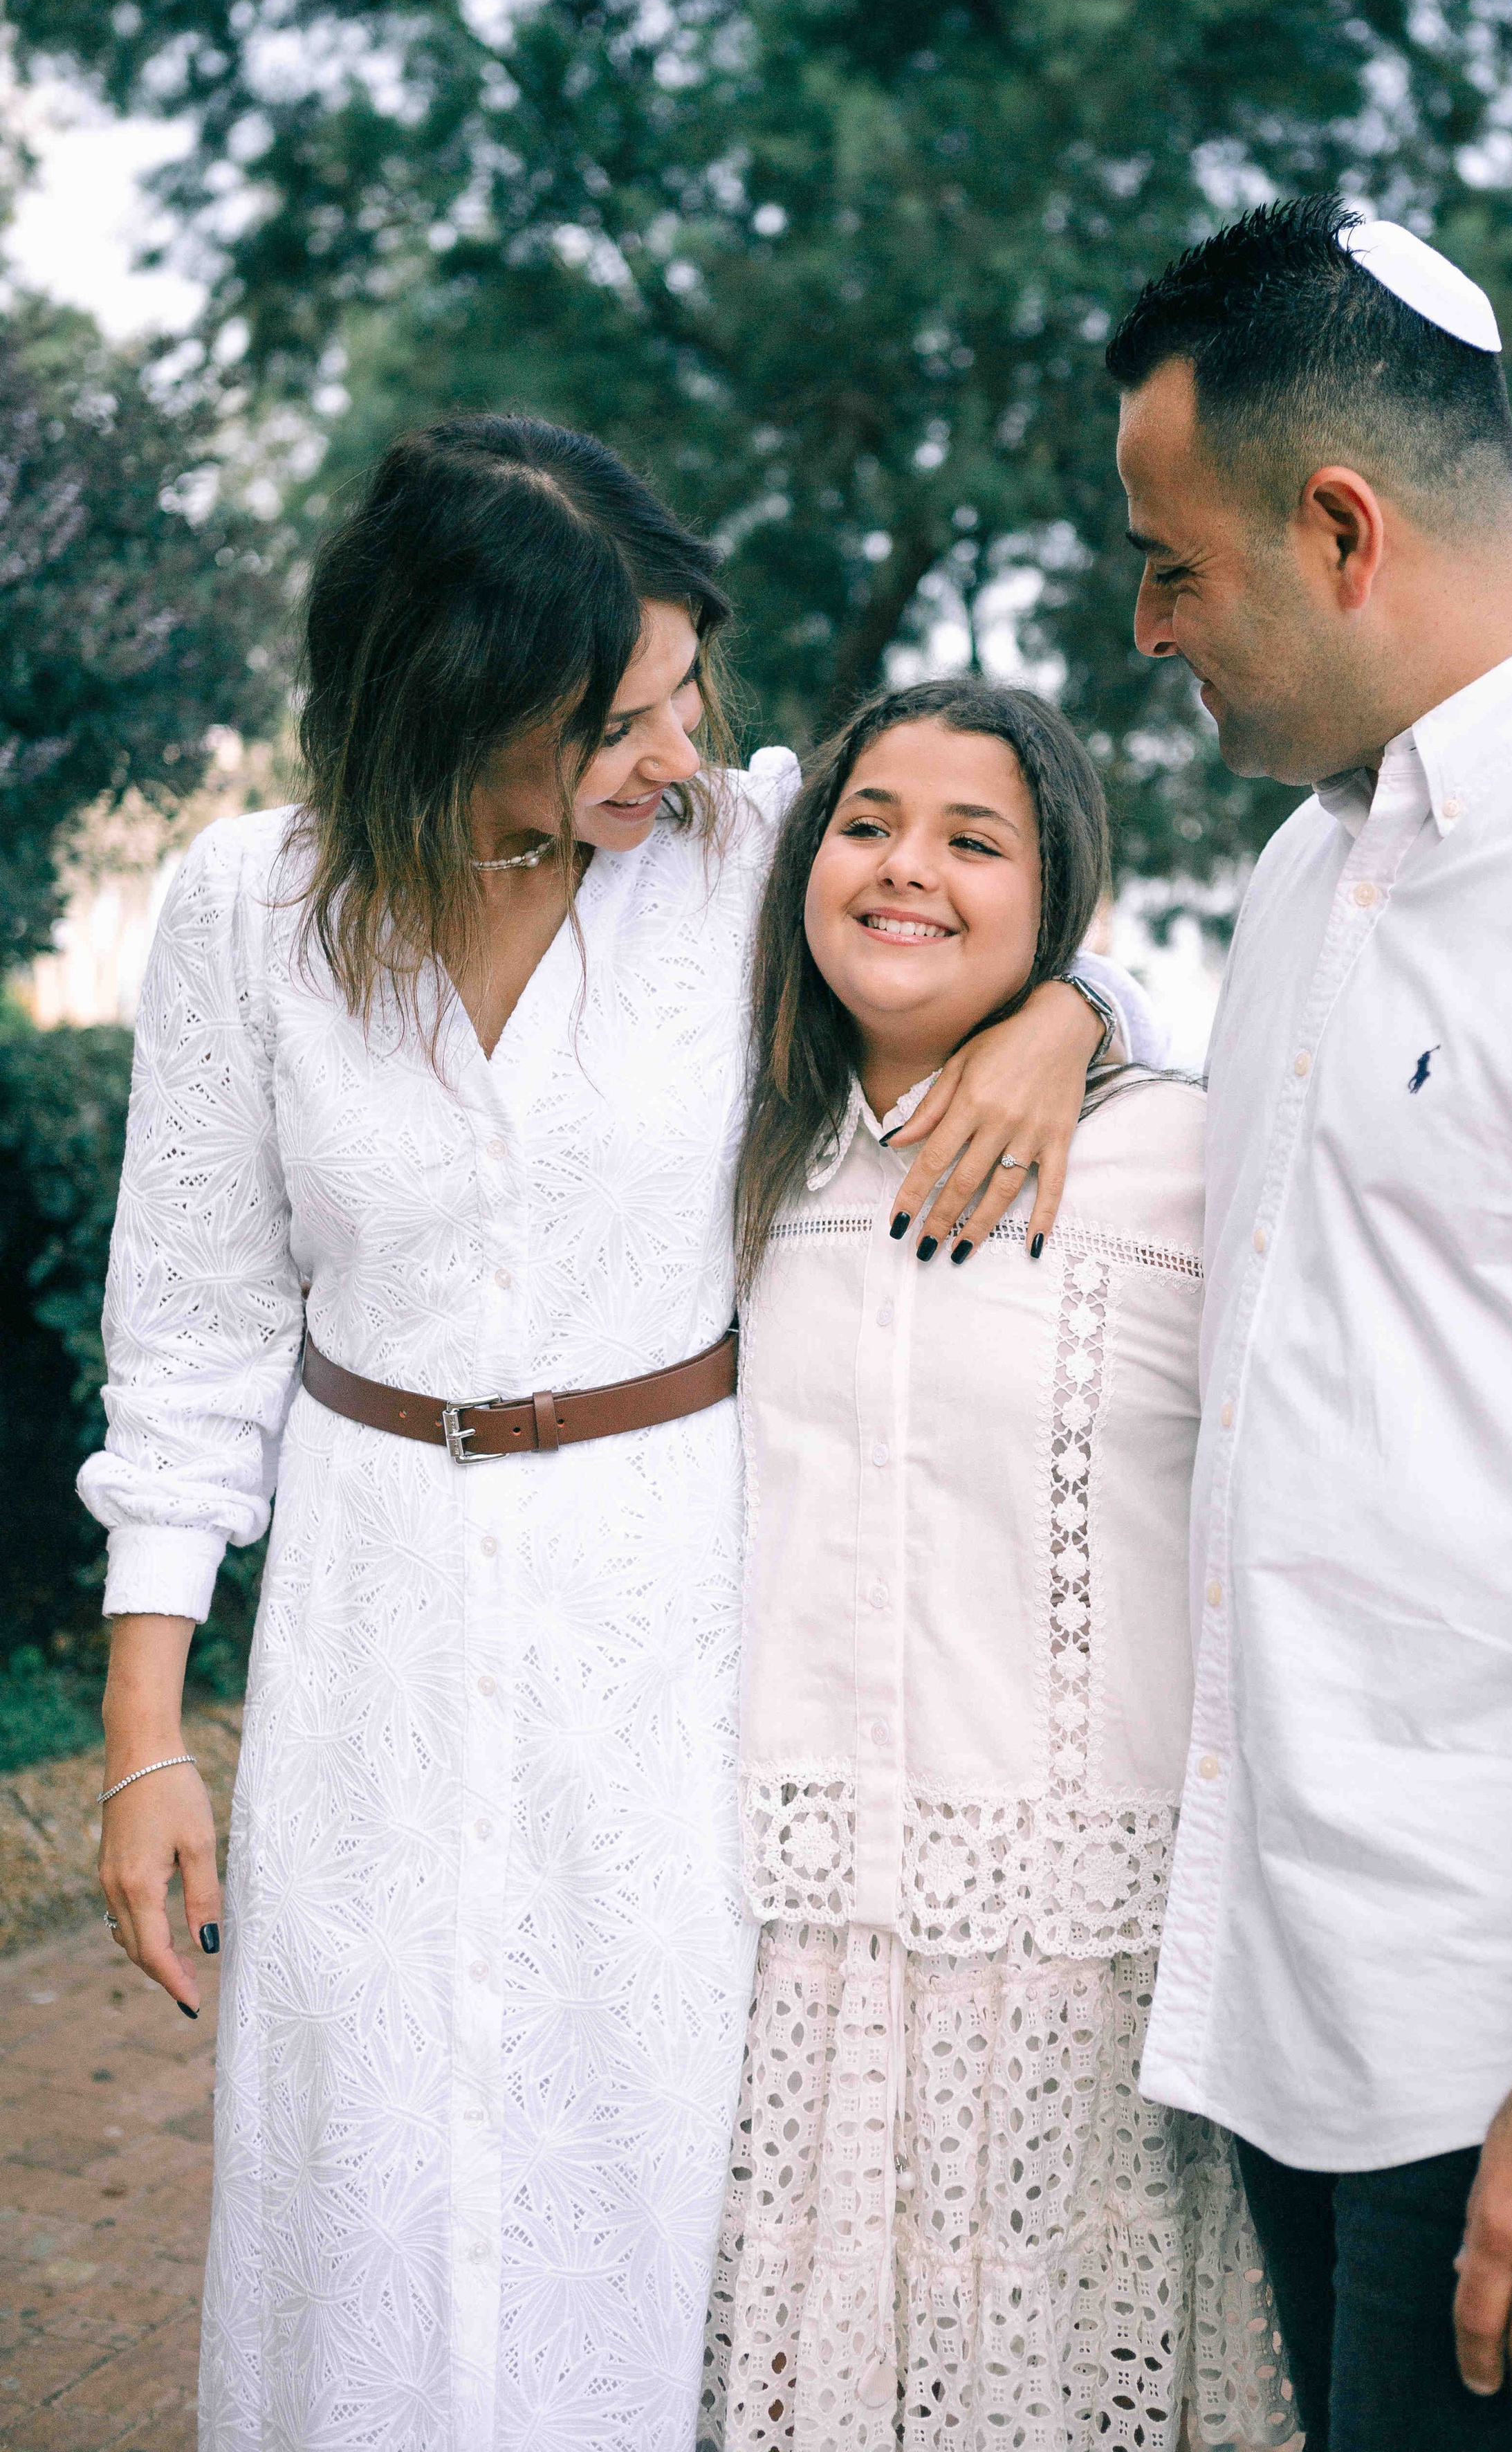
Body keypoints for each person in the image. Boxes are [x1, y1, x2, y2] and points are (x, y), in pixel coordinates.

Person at [77, 417, 1155, 2451]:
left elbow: (1041, 922)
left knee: (638, 2168)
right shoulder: (249, 914)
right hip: (368, 1615)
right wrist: (147, 1741)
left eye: (685, 699)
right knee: (357, 2162)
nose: (677, 754)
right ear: (449, 707)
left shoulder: (750, 860)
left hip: (667, 1621)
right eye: (614, 722)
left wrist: (1067, 1012)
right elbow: (194, 1341)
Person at [1105, 198, 1512, 2448]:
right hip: (1296, 1983)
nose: (1144, 625)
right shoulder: (1307, 871)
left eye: (1173, 566)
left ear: (1341, 524)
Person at [697, 679, 1296, 2452]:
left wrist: (1071, 1017)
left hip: (1076, 1968)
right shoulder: (734, 1157)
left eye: (977, 842)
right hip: (790, 1956)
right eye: (869, 823)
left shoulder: (1183, 1158)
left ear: (1057, 903)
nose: (906, 870)